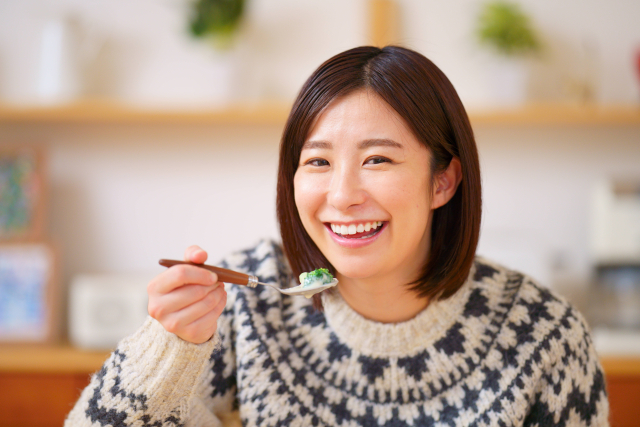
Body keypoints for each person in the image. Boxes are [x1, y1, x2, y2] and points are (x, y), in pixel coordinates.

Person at [65, 46, 608, 427]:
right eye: (318, 161)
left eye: (377, 159)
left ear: (443, 181)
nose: (342, 194)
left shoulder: (545, 337)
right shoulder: (247, 308)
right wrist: (170, 345)